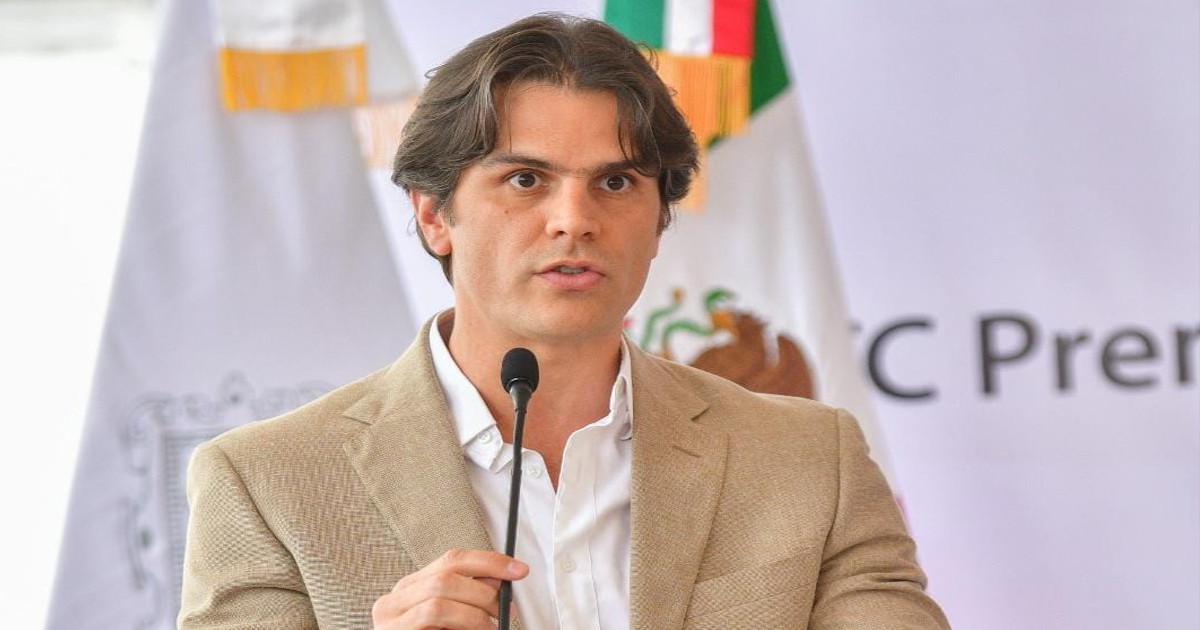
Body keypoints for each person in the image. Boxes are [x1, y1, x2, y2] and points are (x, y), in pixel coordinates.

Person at [178, 13, 950, 630]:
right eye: (525, 179)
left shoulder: (812, 460)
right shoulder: (266, 482)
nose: (574, 220)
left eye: (616, 182)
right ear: (434, 216)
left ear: (659, 221)